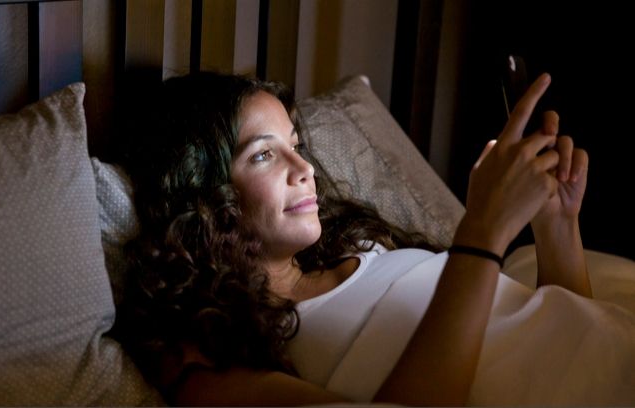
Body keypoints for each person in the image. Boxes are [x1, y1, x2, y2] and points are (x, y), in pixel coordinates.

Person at [112, 71, 635, 406]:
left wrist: (558, 224)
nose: (305, 169)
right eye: (263, 154)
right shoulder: (209, 361)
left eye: (296, 146)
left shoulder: (362, 250)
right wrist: (482, 234)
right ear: (202, 193)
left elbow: (575, 337)